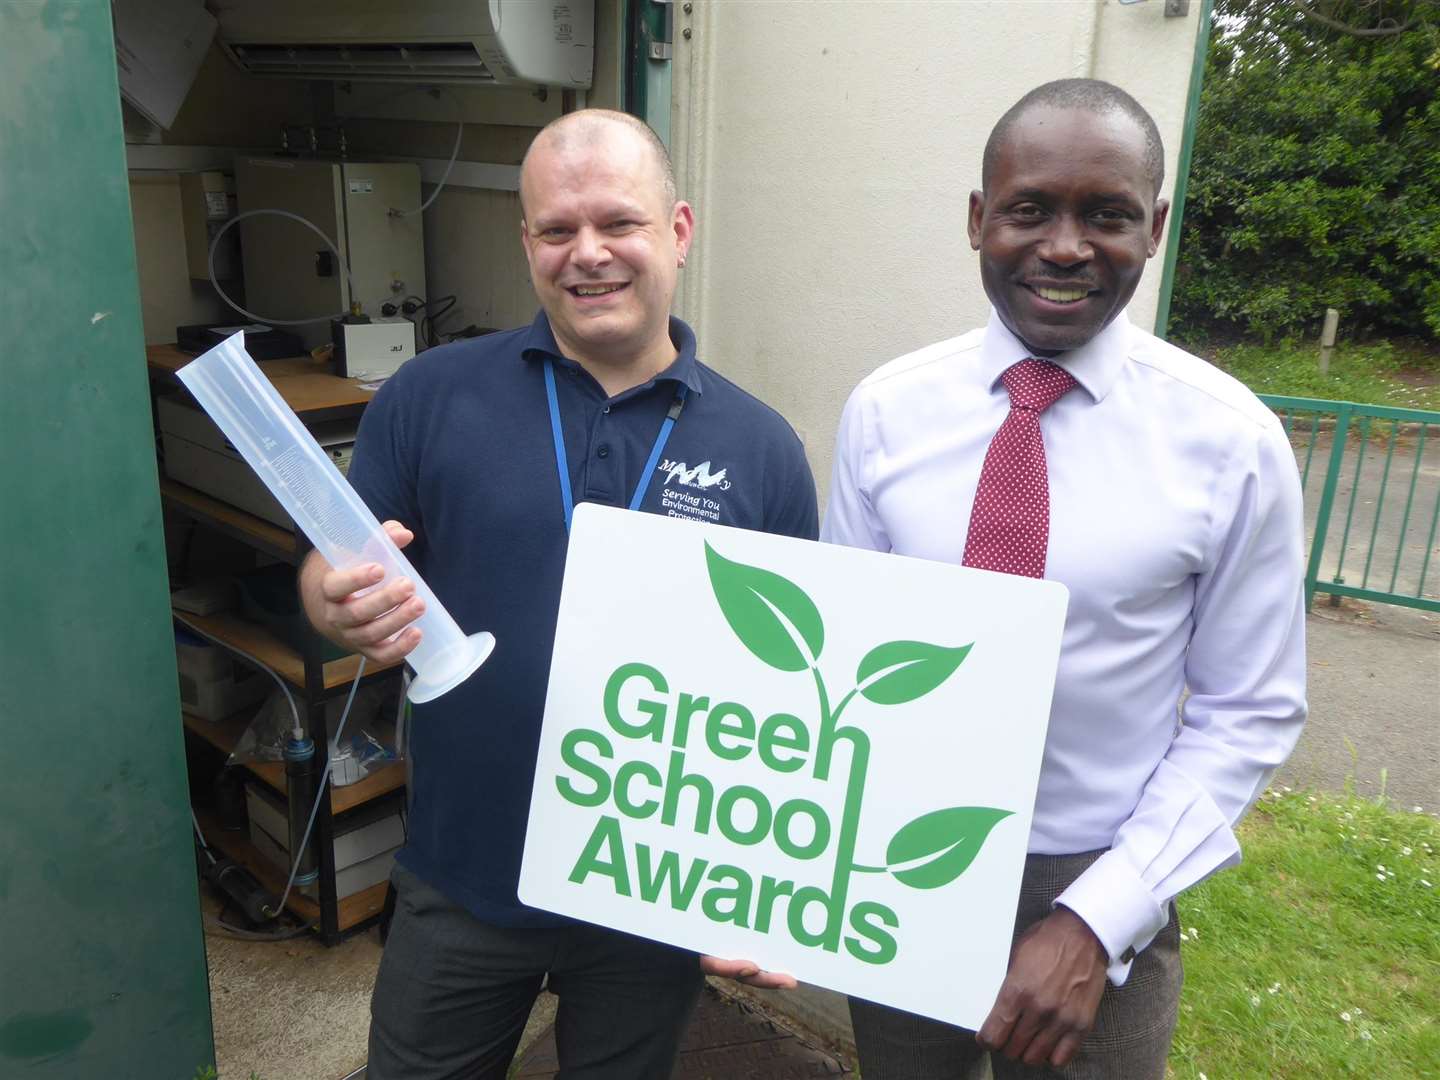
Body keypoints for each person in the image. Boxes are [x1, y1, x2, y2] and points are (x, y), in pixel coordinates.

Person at [301, 108, 815, 1080]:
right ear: (525, 240)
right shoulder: (428, 397)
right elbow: (333, 574)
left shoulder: (762, 451)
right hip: (462, 877)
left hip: (648, 900)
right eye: (555, 229)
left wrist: (762, 893)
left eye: (618, 222)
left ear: (678, 231)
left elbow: (785, 698)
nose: (588, 255)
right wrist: (335, 603)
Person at [822, 79, 1307, 1078]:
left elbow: (1248, 710)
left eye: (1109, 215)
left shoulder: (1232, 443)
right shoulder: (884, 414)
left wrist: (1097, 919)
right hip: (902, 865)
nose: (1066, 246)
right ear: (977, 220)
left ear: (1157, 227)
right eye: (1031, 209)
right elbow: (843, 663)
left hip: (1101, 872)